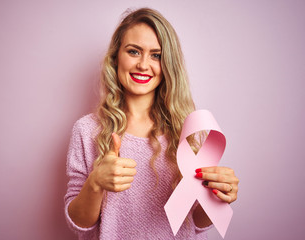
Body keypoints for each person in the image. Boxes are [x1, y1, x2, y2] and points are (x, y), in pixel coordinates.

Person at [64, 8, 239, 240]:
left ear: (167, 64)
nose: (143, 65)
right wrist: (95, 183)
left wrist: (217, 196)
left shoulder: (188, 130)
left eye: (156, 55)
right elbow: (79, 225)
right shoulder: (86, 131)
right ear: (116, 57)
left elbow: (196, 224)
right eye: (134, 51)